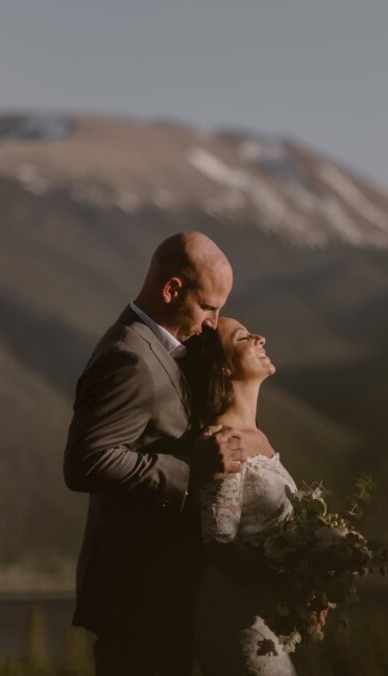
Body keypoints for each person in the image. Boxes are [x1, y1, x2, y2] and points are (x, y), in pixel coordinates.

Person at [63, 232, 252, 676]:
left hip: (159, 587)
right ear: (171, 290)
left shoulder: (161, 350)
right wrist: (192, 472)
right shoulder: (128, 356)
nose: (213, 322)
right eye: (209, 307)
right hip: (135, 593)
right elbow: (86, 461)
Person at [181, 316, 326, 676]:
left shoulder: (257, 435)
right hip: (232, 616)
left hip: (260, 611)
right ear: (225, 368)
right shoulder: (223, 440)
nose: (261, 337)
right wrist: (290, 585)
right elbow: (218, 542)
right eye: (244, 337)